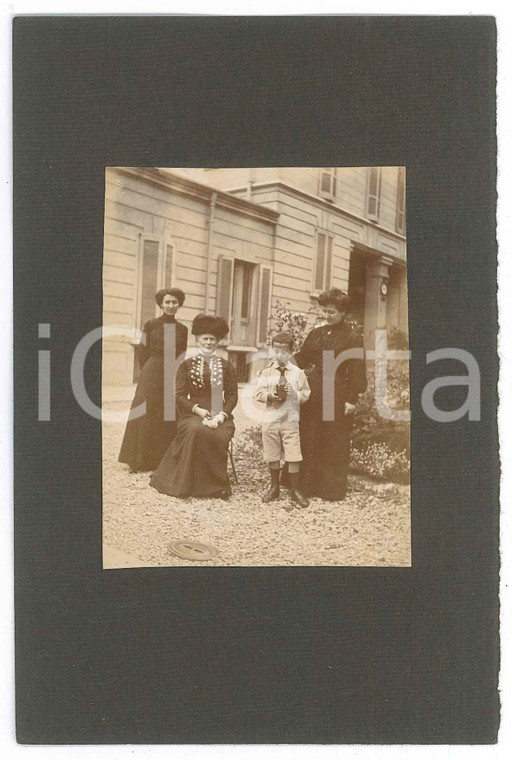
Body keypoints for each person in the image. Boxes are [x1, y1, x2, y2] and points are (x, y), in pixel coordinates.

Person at [150, 314, 238, 499]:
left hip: (220, 414)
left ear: (217, 341)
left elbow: (232, 396)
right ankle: (188, 484)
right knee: (195, 430)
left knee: (219, 433)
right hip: (192, 413)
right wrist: (197, 410)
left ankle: (216, 485)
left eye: (212, 339)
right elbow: (180, 396)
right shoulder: (186, 365)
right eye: (205, 338)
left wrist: (222, 415)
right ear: (197, 339)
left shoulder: (226, 365)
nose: (208, 342)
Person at [293, 288, 367, 500]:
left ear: (343, 313)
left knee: (333, 439)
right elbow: (303, 357)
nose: (326, 315)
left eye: (331, 312)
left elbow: (356, 369)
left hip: (337, 390)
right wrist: (282, 365)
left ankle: (329, 490)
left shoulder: (353, 337)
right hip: (314, 389)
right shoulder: (316, 333)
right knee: (310, 434)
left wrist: (352, 399)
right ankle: (306, 485)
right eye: (324, 311)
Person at [118, 288, 188, 472]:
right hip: (152, 370)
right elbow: (143, 350)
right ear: (161, 304)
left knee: (167, 412)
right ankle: (137, 460)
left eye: (174, 302)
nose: (171, 306)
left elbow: (182, 355)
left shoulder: (183, 329)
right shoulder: (151, 325)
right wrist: (148, 370)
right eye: (167, 302)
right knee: (144, 410)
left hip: (172, 372)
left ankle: (160, 461)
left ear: (179, 304)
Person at [255, 332, 311, 509]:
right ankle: (274, 486)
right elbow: (258, 393)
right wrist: (269, 395)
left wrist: (294, 394)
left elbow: (306, 394)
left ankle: (295, 489)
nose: (279, 355)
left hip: (290, 418)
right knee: (272, 451)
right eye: (276, 351)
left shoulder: (297, 373)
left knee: (293, 454)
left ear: (291, 352)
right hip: (271, 418)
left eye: (284, 352)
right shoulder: (266, 372)